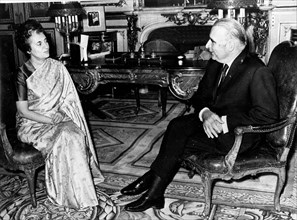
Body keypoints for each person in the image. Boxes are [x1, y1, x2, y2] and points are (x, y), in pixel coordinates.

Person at [120, 18, 279, 212]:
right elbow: (199, 97)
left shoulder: (257, 71)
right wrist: (206, 113)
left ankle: (153, 186)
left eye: (212, 41)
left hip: (238, 134)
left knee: (178, 142)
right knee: (176, 126)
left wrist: (224, 121)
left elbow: (268, 116)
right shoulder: (217, 62)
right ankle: (154, 188)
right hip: (213, 121)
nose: (207, 46)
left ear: (229, 44)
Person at [14, 19, 104, 210]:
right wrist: (50, 119)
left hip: (58, 117)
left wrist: (61, 113)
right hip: (34, 124)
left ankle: (80, 192)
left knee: (75, 134)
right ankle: (64, 195)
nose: (46, 45)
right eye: (39, 43)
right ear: (28, 49)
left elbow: (69, 99)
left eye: (45, 40)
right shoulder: (22, 74)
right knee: (64, 136)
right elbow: (23, 111)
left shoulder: (57, 67)